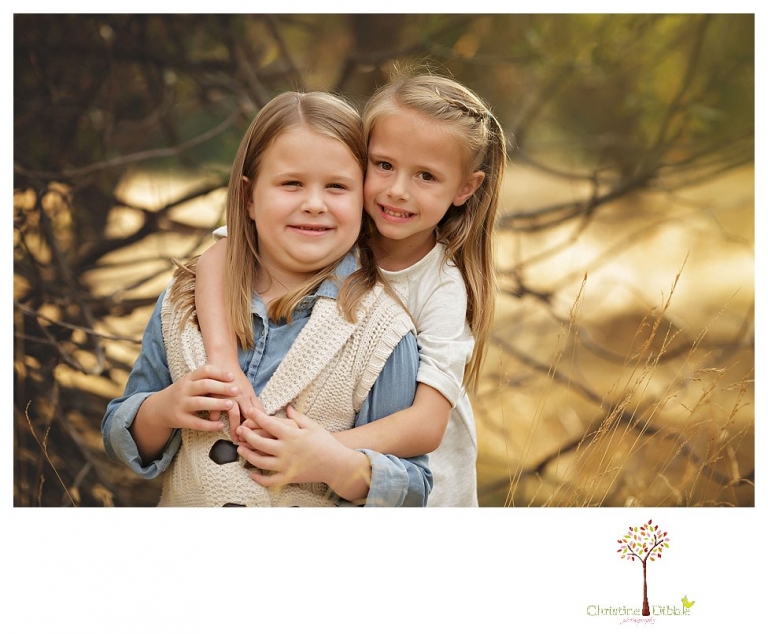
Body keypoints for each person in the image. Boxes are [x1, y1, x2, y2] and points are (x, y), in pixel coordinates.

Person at [101, 90, 432, 507]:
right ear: (248, 197)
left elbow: (414, 488)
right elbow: (120, 437)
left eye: (337, 187)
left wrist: (333, 464)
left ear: (362, 199)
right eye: (291, 184)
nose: (314, 204)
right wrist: (162, 410)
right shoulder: (182, 305)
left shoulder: (380, 331)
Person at [197, 69, 507, 506]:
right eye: (383, 165)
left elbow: (426, 425)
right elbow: (220, 252)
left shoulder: (441, 287)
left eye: (426, 176)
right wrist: (223, 361)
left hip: (423, 493)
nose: (397, 191)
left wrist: (324, 450)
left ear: (465, 188)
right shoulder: (336, 227)